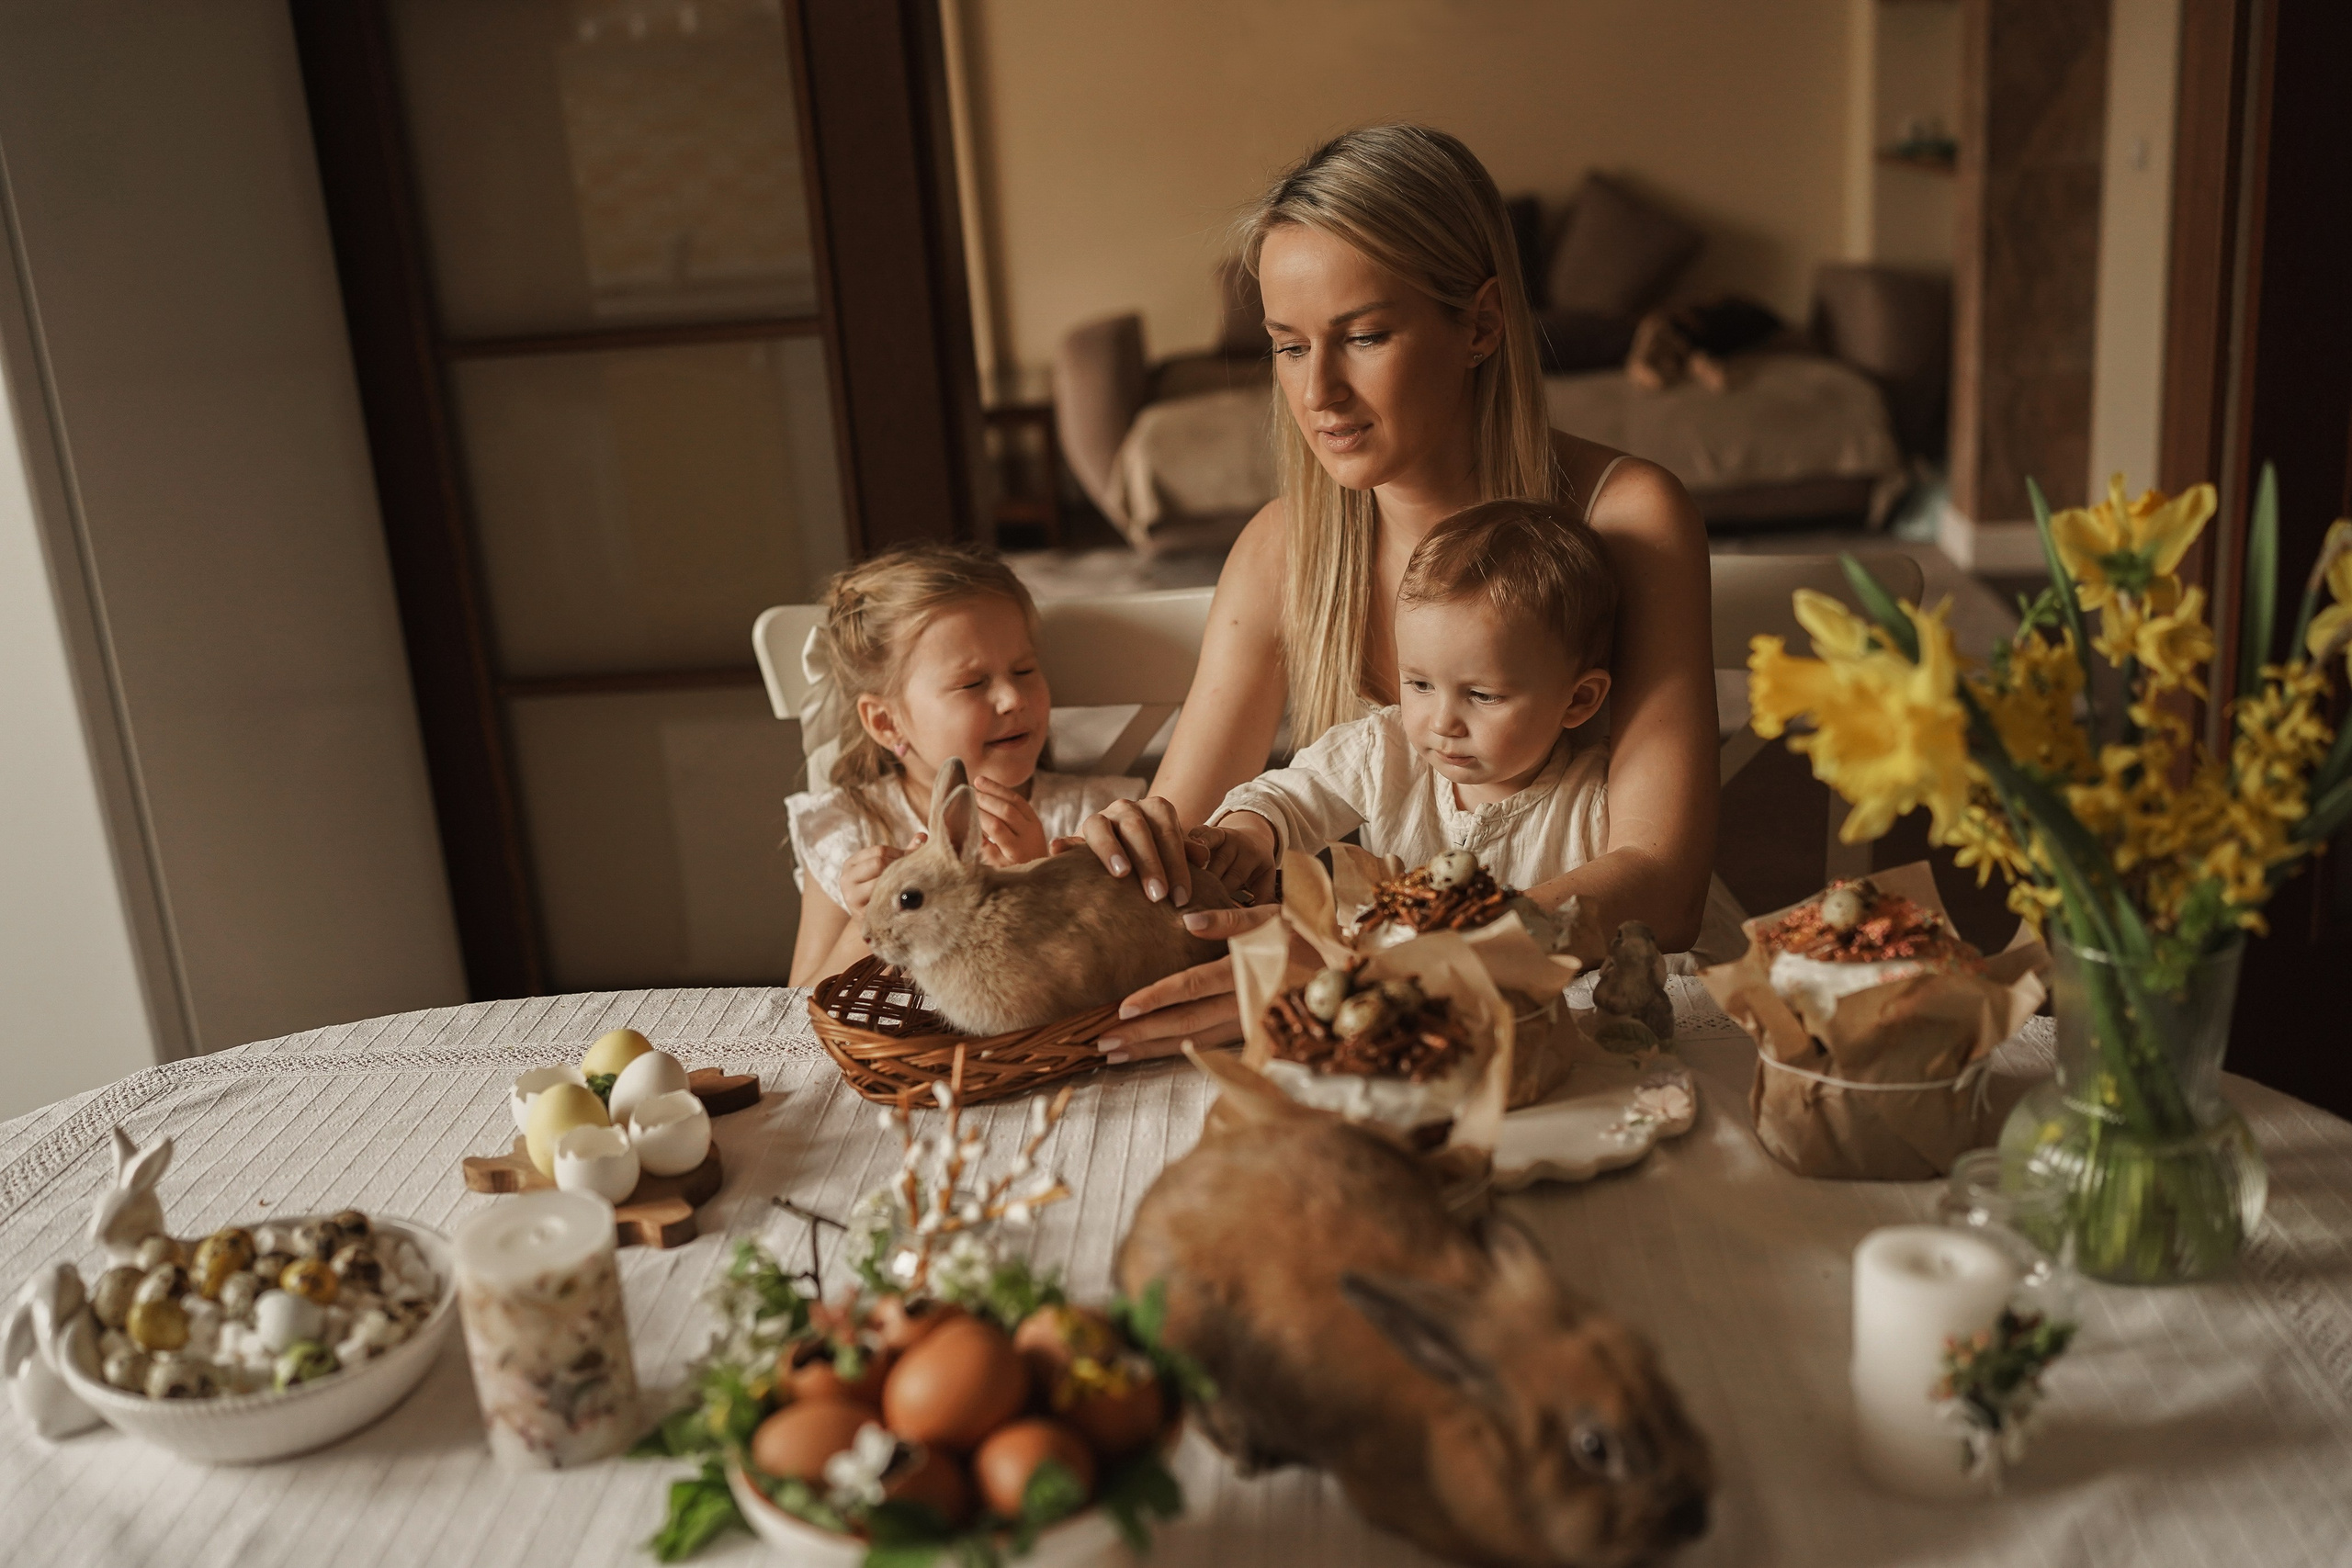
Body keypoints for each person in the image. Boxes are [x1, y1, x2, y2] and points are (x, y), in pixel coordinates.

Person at [1081, 124, 1721, 1064]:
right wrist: (1152, 853)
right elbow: (1193, 847)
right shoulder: (1280, 550)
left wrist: (1376, 960)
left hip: (1586, 1042)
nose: (1319, 393)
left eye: (1364, 336)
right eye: (1288, 347)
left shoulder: (1629, 517)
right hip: (1375, 1048)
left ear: (1480, 323)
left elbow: (1662, 887)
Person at [786, 544, 1139, 986]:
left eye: (1025, 670)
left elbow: (1106, 975)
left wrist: (1035, 880)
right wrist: (866, 924)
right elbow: (798, 1005)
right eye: (973, 683)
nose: (1013, 698)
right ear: (886, 722)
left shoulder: (1093, 817)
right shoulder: (848, 829)